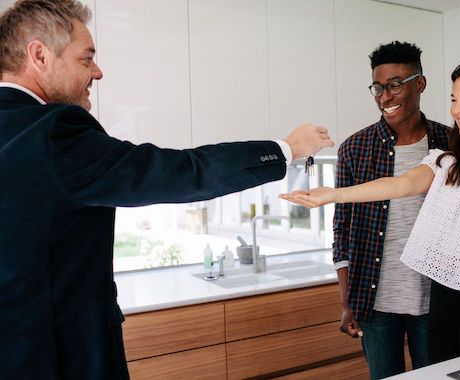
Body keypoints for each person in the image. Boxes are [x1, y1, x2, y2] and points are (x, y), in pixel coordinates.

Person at [0, 1, 334, 379]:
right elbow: (177, 171)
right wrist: (287, 148)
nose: (98, 71)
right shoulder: (52, 133)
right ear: (40, 55)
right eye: (86, 58)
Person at [281, 58, 460, 364]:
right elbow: (400, 185)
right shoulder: (448, 160)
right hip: (443, 311)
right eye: (454, 99)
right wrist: (333, 195)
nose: (457, 109)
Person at [331, 41, 448, 379]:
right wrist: (346, 300)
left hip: (435, 300)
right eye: (378, 87)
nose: (385, 96)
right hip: (374, 301)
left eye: (395, 84)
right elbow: (343, 229)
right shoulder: (354, 148)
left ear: (419, 84)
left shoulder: (451, 142)